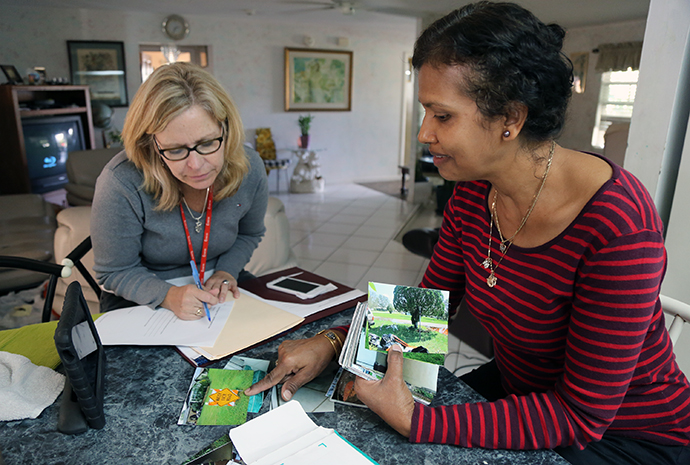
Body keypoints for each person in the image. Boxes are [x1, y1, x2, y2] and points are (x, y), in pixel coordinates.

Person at [245, 3, 690, 464]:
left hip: (625, 435)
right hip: (522, 392)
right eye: (425, 112)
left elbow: (580, 415)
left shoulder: (619, 226)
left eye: (442, 116)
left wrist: (416, 419)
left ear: (510, 120)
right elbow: (424, 312)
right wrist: (334, 342)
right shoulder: (474, 194)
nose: (423, 132)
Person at [91, 62, 268, 319]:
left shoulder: (250, 168)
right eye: (175, 150)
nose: (195, 166)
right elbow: (115, 271)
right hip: (143, 290)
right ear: (150, 144)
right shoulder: (120, 181)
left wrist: (226, 271)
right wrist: (169, 296)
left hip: (218, 281)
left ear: (226, 130)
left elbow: (250, 234)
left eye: (207, 143)